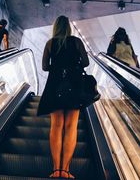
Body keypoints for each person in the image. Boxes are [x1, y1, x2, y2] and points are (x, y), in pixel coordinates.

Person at [37, 16, 89, 179]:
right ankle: (66, 171)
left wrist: (57, 66)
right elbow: (86, 62)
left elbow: (45, 67)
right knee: (71, 126)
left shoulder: (50, 43)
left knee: (56, 125)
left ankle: (56, 170)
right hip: (74, 84)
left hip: (55, 84)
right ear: (68, 28)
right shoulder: (76, 42)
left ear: (56, 28)